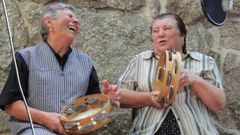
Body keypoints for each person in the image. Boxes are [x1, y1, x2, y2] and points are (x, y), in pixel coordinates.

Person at [102, 13, 226, 135]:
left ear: (182, 35)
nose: (161, 33)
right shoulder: (139, 61)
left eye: (167, 28)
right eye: (155, 31)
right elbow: (121, 98)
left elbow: (218, 104)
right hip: (147, 131)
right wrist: (147, 98)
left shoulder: (204, 61)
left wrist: (195, 80)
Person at [0, 2, 102, 135]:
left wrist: (106, 101)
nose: (76, 21)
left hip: (77, 130)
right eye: (70, 16)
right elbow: (10, 104)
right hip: (36, 127)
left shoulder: (86, 62)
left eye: (76, 19)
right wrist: (45, 118)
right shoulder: (26, 57)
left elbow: (94, 104)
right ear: (49, 22)